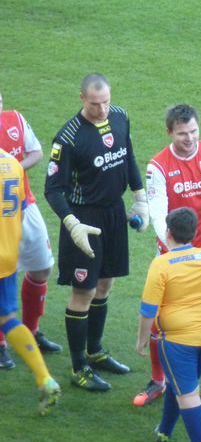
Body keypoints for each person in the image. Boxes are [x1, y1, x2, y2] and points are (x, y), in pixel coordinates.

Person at [44, 73, 150, 391]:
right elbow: (53, 189)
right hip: (84, 219)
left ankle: (96, 350)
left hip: (114, 213)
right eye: (94, 103)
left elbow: (126, 155)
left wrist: (139, 197)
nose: (102, 109)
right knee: (84, 291)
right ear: (81, 98)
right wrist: (71, 223)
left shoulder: (119, 116)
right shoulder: (68, 138)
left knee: (105, 284)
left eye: (105, 101)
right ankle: (79, 368)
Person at [134, 104, 201, 411]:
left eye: (193, 131)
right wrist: (179, 247)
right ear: (169, 132)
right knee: (161, 316)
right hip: (171, 253)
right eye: (182, 134)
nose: (189, 138)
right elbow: (158, 212)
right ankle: (157, 380)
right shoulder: (158, 167)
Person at [135, 207, 201, 442]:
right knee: (179, 383)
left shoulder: (161, 264)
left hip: (179, 341)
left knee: (188, 395)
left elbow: (148, 310)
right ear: (194, 232)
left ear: (168, 233)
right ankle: (164, 432)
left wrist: (141, 340)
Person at [0, 91, 62, 370]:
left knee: (42, 268)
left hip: (25, 207)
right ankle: (1, 343)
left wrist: (12, 168)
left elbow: (36, 152)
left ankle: (32, 331)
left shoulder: (14, 120)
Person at [0, 148, 60, 414]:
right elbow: (21, 210)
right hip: (7, 257)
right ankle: (44, 378)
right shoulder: (12, 163)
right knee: (8, 319)